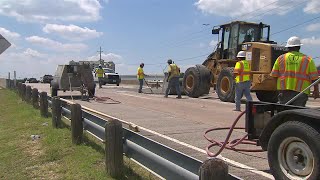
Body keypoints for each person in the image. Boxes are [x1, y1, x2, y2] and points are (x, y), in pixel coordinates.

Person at [270, 36, 319, 106]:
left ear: (288, 47)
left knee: (283, 113)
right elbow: (314, 77)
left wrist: (276, 89)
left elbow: (274, 76)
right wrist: (316, 90)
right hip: (301, 91)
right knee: (297, 114)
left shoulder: (280, 58)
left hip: (284, 90)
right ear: (299, 47)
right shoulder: (307, 60)